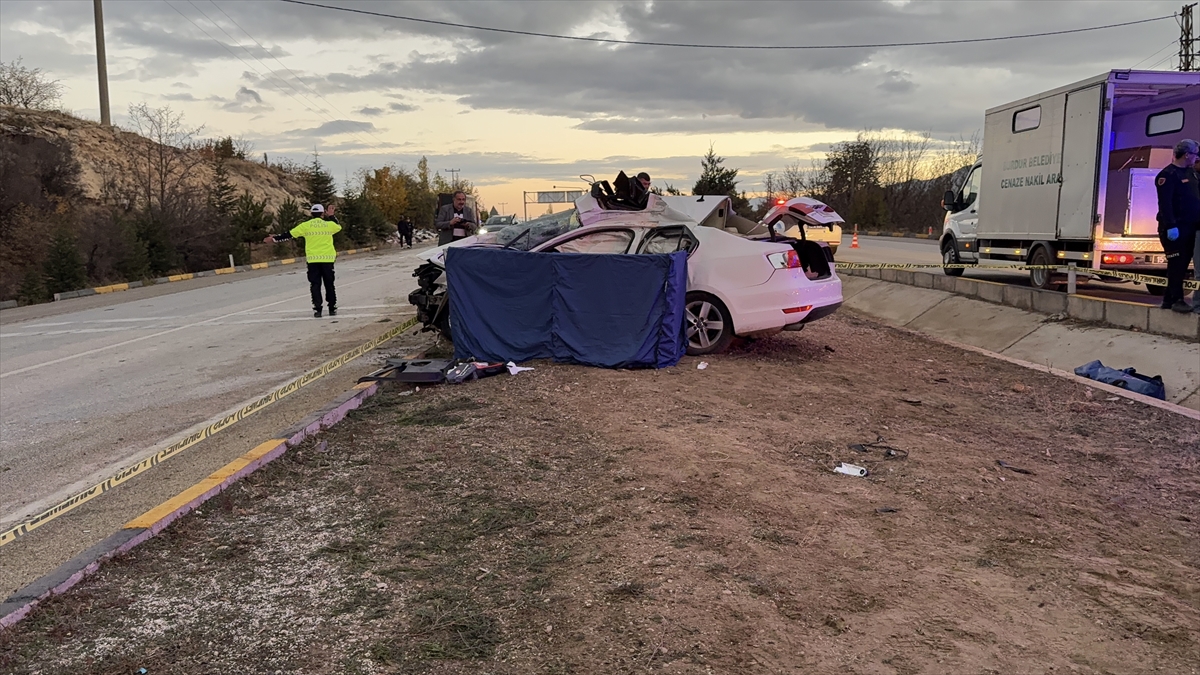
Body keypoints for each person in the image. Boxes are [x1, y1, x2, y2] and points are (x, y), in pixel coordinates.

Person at [264, 203, 342, 318]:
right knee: (329, 284)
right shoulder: (328, 225)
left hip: (312, 260)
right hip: (327, 260)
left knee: (315, 285)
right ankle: (332, 308)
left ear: (311, 213)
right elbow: (338, 226)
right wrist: (331, 215)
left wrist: (274, 239)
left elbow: (289, 234)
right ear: (322, 213)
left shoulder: (305, 226)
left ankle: (318, 309)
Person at [1154, 138, 1200, 313]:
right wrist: (1171, 225)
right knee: (1177, 264)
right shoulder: (1167, 175)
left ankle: (1168, 300)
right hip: (1174, 228)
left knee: (1183, 263)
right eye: (1195, 154)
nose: (1196, 158)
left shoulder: (1192, 174)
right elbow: (1165, 204)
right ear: (1187, 155)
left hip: (1190, 227)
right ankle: (1178, 300)